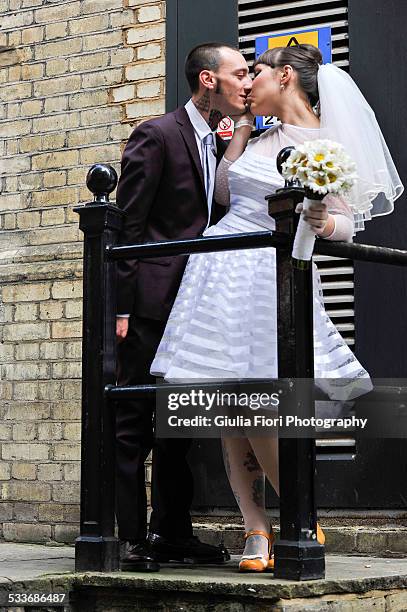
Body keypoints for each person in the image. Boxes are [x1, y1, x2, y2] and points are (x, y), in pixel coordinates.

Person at [150, 44, 403, 571]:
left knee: (261, 400)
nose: (247, 83)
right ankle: (256, 531)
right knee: (226, 403)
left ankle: (297, 513)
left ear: (285, 76)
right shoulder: (259, 135)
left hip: (268, 276)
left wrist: (322, 223)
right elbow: (224, 193)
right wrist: (241, 130)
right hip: (218, 271)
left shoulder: (329, 144)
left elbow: (348, 222)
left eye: (256, 73)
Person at [115, 42, 253, 571]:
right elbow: (129, 227)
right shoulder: (157, 133)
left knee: (181, 425)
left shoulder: (219, 139)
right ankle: (128, 539)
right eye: (239, 73)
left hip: (196, 305)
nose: (248, 80)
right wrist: (122, 310)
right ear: (208, 80)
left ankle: (172, 533)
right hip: (151, 304)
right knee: (134, 424)